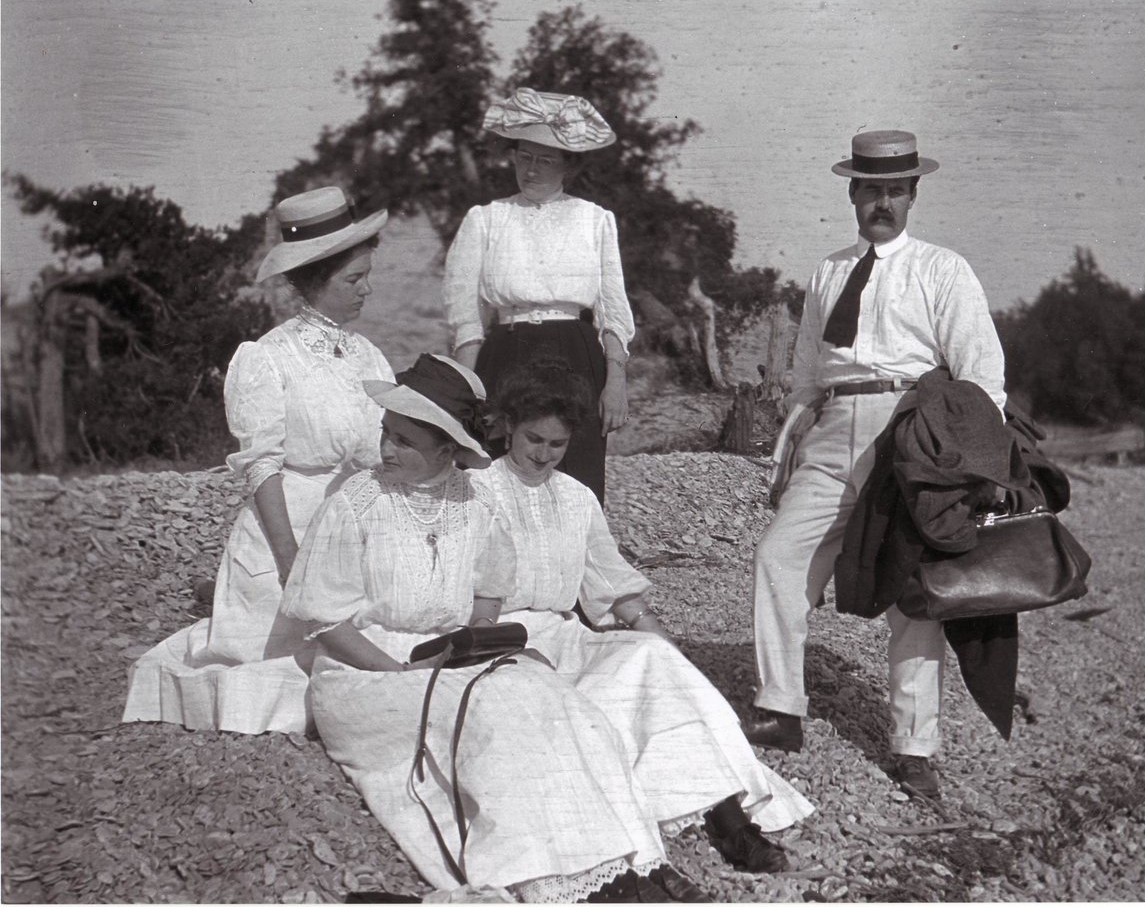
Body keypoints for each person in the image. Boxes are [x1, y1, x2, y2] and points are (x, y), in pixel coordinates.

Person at [280, 355, 707, 903]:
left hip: (452, 655)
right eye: (387, 434)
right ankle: (544, 874)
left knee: (563, 703)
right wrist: (403, 671)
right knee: (499, 717)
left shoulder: (475, 502)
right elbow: (324, 623)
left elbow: (488, 592)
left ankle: (633, 861)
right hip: (368, 670)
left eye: (404, 441)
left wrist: (478, 638)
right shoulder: (355, 505)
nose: (386, 450)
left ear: (447, 450)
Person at [475, 357, 814, 874]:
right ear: (507, 429)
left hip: (565, 634)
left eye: (557, 444)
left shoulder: (576, 497)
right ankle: (672, 838)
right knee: (610, 700)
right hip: (501, 642)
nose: (543, 455)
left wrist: (670, 651)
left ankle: (732, 823)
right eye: (533, 440)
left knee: (657, 662)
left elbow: (613, 589)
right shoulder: (479, 492)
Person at [748, 131, 1007, 800]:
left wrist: (976, 461)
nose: (881, 202)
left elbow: (981, 371)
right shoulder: (829, 271)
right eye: (870, 189)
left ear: (912, 195)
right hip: (832, 431)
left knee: (912, 593)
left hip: (909, 434)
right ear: (853, 194)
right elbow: (806, 372)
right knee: (778, 558)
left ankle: (913, 749)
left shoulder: (942, 269)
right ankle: (780, 707)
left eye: (894, 190)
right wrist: (788, 446)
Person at [123, 186, 393, 735]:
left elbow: (386, 452)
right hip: (286, 530)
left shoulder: (368, 355)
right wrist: (291, 559)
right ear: (314, 281)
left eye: (366, 274)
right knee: (278, 671)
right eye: (353, 279)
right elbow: (260, 467)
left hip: (357, 525)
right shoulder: (267, 358)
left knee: (380, 648)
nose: (368, 288)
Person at [443, 87, 635, 505]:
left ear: (568, 165)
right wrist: (465, 391)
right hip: (505, 352)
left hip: (577, 353)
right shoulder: (485, 219)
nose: (531, 169)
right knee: (493, 480)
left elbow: (612, 307)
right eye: (524, 156)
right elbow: (466, 319)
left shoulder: (594, 220)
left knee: (574, 480)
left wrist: (616, 380)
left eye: (546, 160)